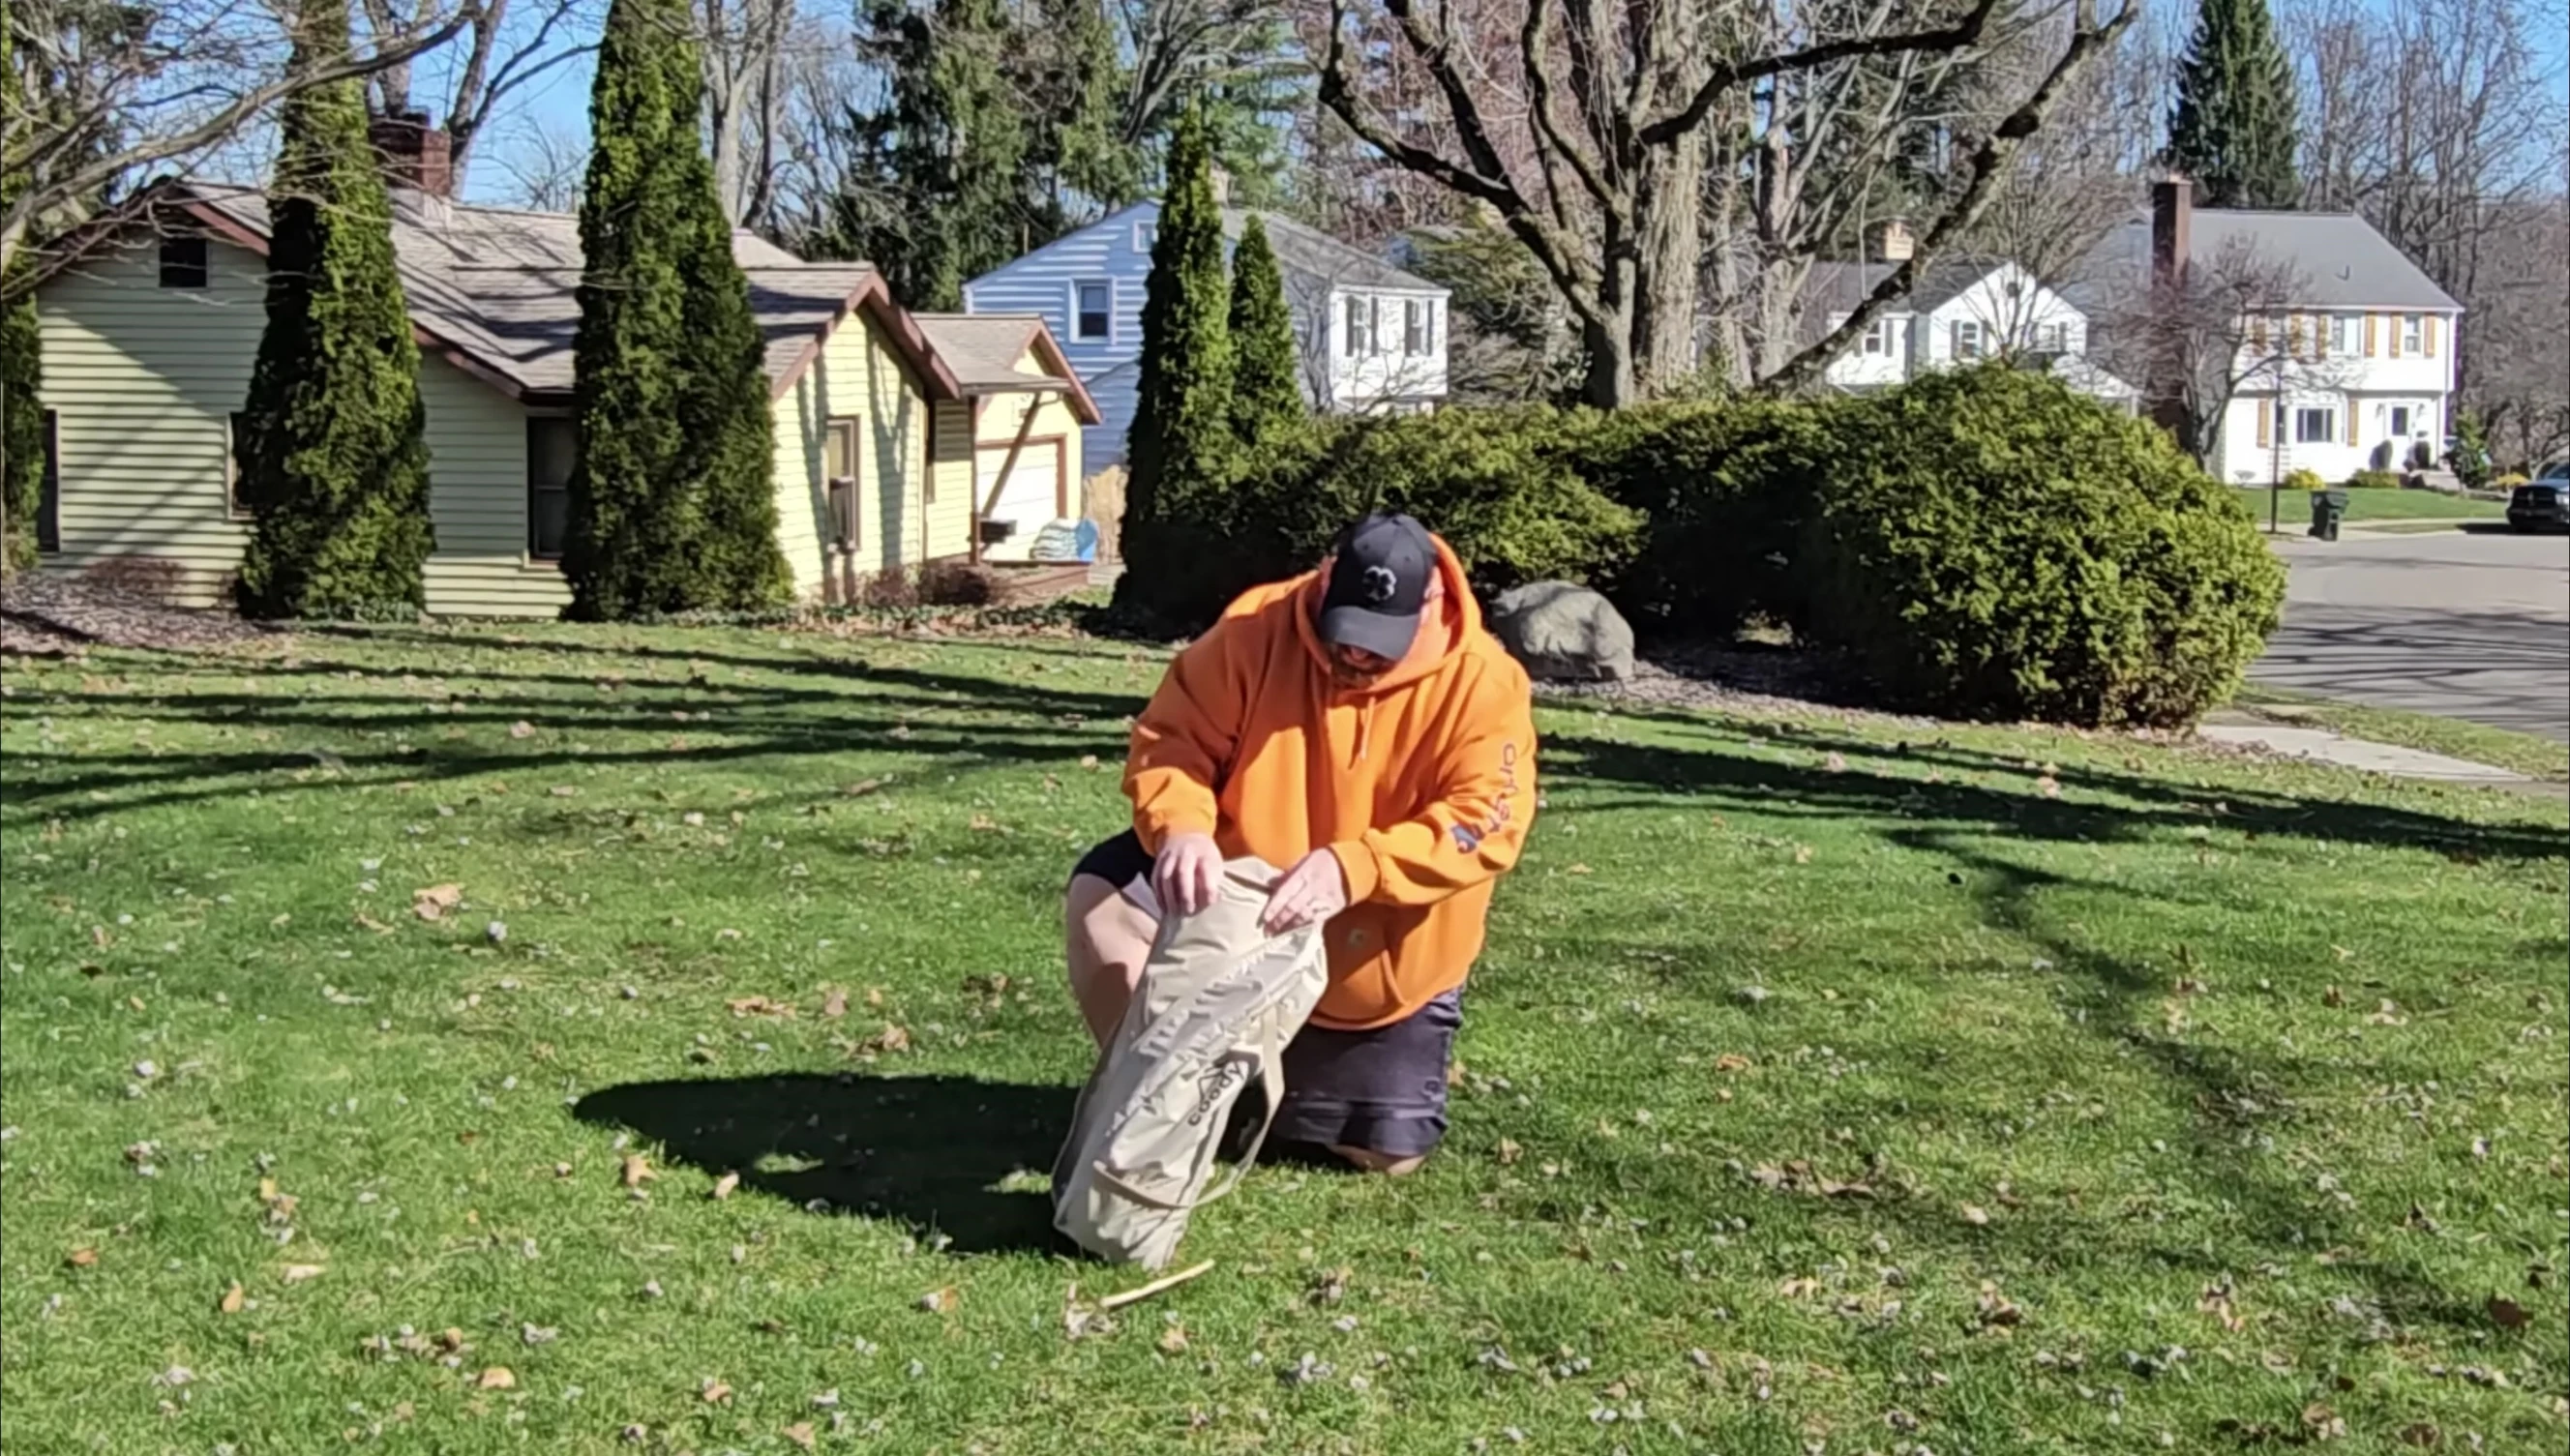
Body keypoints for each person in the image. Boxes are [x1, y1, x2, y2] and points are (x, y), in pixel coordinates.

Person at [1063, 512, 1537, 1175]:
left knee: (1383, 1156)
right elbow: (1171, 744)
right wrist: (1183, 827)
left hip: (1377, 957)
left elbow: (1485, 821)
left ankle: (1250, 1094)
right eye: (1346, 632)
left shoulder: (1485, 682)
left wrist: (1358, 867)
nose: (1357, 656)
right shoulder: (1252, 630)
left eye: (1380, 642)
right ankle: (1162, 1094)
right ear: (1324, 577)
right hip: (1242, 922)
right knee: (1103, 894)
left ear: (1430, 605)